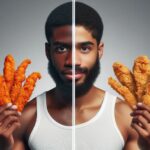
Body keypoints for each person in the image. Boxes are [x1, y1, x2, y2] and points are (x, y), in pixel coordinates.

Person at [0, 1, 150, 150]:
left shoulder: (126, 117)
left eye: (84, 48)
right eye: (61, 48)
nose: (73, 61)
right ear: (48, 51)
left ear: (99, 50)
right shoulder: (25, 117)